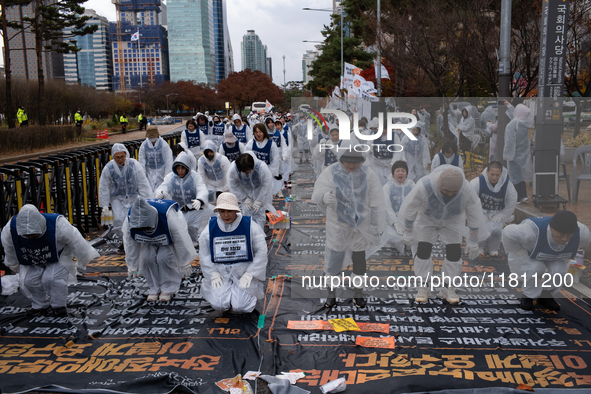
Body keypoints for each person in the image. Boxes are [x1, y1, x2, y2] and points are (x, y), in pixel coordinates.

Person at [398, 165, 489, 304]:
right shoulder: (425, 186)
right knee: (423, 249)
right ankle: (424, 285)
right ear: (439, 185)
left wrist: (473, 240)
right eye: (446, 191)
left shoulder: (466, 190)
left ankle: (447, 287)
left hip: (453, 219)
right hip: (427, 218)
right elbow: (410, 209)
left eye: (454, 192)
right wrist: (408, 231)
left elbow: (474, 214)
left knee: (454, 252)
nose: (450, 194)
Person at [311, 150, 385, 309]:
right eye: (348, 161)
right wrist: (324, 197)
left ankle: (358, 293)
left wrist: (375, 225)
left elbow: (376, 199)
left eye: (355, 162)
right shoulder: (331, 172)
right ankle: (331, 295)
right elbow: (317, 192)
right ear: (341, 160)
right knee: (334, 261)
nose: (351, 165)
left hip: (360, 226)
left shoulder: (368, 174)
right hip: (338, 225)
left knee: (359, 261)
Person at [1, 204, 99, 316]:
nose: (30, 238)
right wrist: (13, 264)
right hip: (31, 257)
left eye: (34, 235)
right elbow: (9, 248)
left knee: (52, 278)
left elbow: (76, 241)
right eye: (27, 236)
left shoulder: (58, 224)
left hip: (57, 255)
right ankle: (40, 304)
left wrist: (83, 258)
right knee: (29, 280)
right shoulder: (10, 229)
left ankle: (59, 306)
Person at [502, 210, 590, 311]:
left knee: (559, 271)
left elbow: (577, 244)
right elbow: (507, 233)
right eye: (561, 235)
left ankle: (546, 295)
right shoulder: (529, 232)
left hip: (556, 254)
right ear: (551, 228)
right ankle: (528, 296)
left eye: (569, 235)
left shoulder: (583, 234)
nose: (565, 239)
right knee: (535, 268)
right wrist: (518, 252)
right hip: (533, 250)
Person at [198, 192, 268, 313]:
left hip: (243, 271)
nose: (226, 215)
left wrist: (251, 273)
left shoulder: (249, 225)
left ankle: (239, 294)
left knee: (240, 307)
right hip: (220, 272)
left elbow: (261, 251)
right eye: (222, 211)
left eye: (229, 211)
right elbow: (204, 254)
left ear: (236, 210)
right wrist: (212, 272)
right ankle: (227, 292)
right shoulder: (211, 227)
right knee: (219, 305)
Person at [123, 197, 197, 302]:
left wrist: (184, 261)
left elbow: (179, 238)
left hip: (167, 236)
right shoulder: (130, 219)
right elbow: (130, 242)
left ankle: (168, 288)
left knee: (164, 257)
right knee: (147, 258)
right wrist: (131, 265)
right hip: (148, 241)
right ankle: (154, 288)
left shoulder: (168, 216)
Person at [156, 152, 208, 245]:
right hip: (178, 208)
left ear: (187, 167)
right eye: (178, 168)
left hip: (194, 207)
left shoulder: (195, 177)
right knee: (179, 229)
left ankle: (194, 241)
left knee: (192, 227)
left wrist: (199, 200)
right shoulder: (170, 177)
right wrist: (160, 192)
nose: (180, 171)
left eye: (182, 168)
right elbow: (163, 186)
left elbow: (202, 188)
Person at [99, 143, 152, 234]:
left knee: (134, 219)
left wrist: (149, 201)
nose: (120, 160)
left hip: (133, 197)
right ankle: (121, 241)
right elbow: (104, 188)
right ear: (113, 157)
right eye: (117, 157)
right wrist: (105, 207)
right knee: (119, 220)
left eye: (122, 156)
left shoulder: (134, 165)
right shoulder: (108, 169)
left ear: (126, 154)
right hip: (117, 199)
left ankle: (135, 239)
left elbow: (143, 184)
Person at [470, 161, 517, 256]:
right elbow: (469, 200)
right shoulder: (477, 182)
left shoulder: (507, 185)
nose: (494, 177)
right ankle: (480, 247)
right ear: (487, 171)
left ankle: (493, 247)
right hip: (481, 212)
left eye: (497, 175)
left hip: (497, 213)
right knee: (480, 229)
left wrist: (502, 215)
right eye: (492, 174)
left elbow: (512, 201)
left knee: (496, 231)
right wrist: (478, 214)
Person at [372, 161, 415, 254]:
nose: (400, 173)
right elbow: (386, 207)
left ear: (407, 173)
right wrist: (395, 223)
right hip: (392, 222)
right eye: (397, 170)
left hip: (410, 220)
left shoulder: (412, 185)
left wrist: (410, 220)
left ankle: (408, 246)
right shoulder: (388, 187)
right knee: (395, 237)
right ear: (393, 173)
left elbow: (416, 203)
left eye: (403, 171)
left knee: (416, 236)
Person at [227, 152, 276, 229]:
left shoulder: (261, 168)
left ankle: (260, 234)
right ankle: (249, 234)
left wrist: (259, 200)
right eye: (243, 171)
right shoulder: (233, 169)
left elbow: (266, 185)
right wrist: (244, 198)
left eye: (248, 170)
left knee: (259, 213)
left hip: (259, 190)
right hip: (245, 191)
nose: (246, 173)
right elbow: (233, 185)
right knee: (247, 213)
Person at [503, 103, 533, 202]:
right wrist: (510, 106)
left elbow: (510, 141)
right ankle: (523, 195)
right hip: (522, 154)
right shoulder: (523, 124)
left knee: (514, 176)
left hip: (513, 154)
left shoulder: (512, 125)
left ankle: (517, 198)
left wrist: (507, 154)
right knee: (520, 175)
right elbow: (515, 116)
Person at [368, 117, 403, 186]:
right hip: (377, 164)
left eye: (386, 129)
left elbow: (398, 150)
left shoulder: (394, 136)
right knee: (377, 183)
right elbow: (367, 150)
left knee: (389, 183)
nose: (384, 131)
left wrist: (393, 163)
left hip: (389, 164)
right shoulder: (373, 136)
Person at [138, 126, 174, 192]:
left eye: (153, 137)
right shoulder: (144, 145)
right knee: (150, 191)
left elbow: (169, 160)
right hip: (150, 173)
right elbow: (142, 161)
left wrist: (167, 175)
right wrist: (143, 176)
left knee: (162, 192)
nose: (152, 139)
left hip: (162, 172)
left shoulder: (163, 144)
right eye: (150, 137)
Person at [198, 140, 232, 205]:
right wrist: (203, 189)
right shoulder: (201, 161)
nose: (209, 154)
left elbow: (228, 175)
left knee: (224, 204)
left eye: (211, 152)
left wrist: (226, 188)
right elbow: (201, 176)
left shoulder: (222, 159)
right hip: (210, 186)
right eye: (207, 152)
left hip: (222, 185)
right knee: (211, 204)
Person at [270, 120, 289, 197]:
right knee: (270, 175)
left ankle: (279, 190)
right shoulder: (265, 134)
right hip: (269, 157)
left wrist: (285, 154)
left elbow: (284, 144)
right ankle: (271, 190)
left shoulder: (279, 134)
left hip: (278, 156)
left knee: (279, 174)